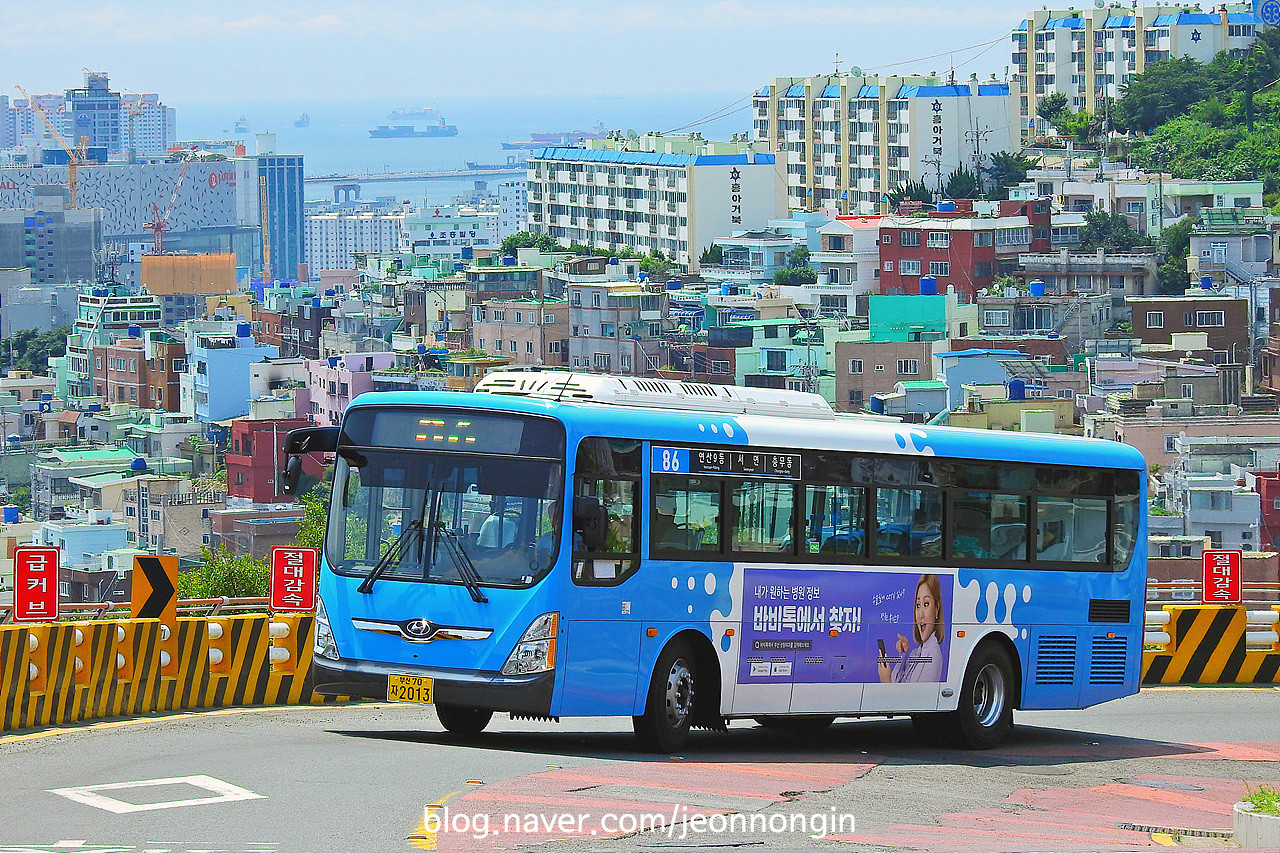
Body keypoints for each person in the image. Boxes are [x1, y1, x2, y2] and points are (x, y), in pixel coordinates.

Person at [878, 574, 946, 683]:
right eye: (918, 605)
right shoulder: (916, 653)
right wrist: (903, 655)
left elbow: (916, 697)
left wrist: (885, 681)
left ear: (936, 609)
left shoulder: (933, 656)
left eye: (926, 604)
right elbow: (897, 683)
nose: (921, 614)